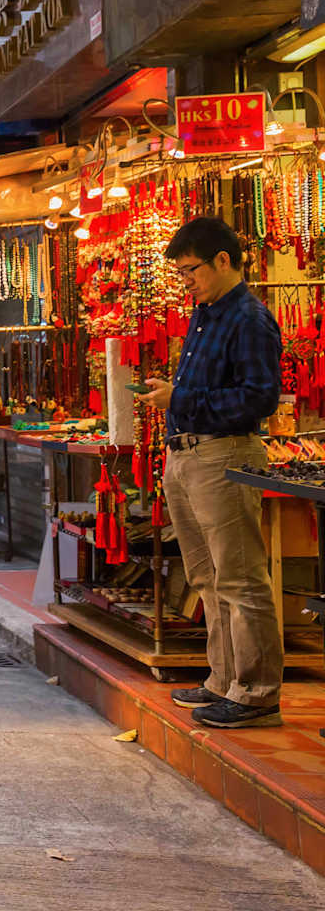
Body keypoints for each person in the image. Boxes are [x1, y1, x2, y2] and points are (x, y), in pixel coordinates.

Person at [139, 216, 284, 728]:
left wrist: (178, 397)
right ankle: (224, 679)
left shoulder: (248, 318)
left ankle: (258, 694)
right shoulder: (206, 314)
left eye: (191, 270)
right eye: (180, 273)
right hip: (188, 455)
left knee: (241, 578)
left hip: (224, 455)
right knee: (206, 576)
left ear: (223, 260)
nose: (187, 281)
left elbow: (258, 397)